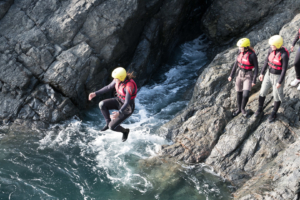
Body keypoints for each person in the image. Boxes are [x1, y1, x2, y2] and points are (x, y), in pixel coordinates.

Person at [89, 67, 137, 142]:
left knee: (112, 127)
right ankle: (108, 123)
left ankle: (125, 131)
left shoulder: (129, 86)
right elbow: (108, 87)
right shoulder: (118, 79)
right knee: (102, 104)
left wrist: (119, 112)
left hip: (127, 108)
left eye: (115, 78)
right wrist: (95, 93)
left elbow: (127, 101)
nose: (114, 80)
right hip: (119, 101)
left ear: (121, 77)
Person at [254, 35, 289, 122]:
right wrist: (262, 73)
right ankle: (260, 108)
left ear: (278, 44)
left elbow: (284, 69)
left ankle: (274, 112)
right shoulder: (271, 50)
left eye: (272, 45)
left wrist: (280, 81)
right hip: (268, 74)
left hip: (277, 77)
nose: (270, 47)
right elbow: (266, 61)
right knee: (262, 91)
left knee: (276, 96)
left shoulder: (284, 55)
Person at [228, 38, 258, 117]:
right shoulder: (239, 52)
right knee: (239, 92)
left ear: (246, 47)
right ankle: (239, 109)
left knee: (245, 94)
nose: (239, 49)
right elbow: (235, 64)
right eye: (239, 47)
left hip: (248, 75)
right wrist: (231, 75)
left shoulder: (252, 55)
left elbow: (256, 68)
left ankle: (242, 108)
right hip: (239, 73)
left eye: (241, 47)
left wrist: (254, 80)